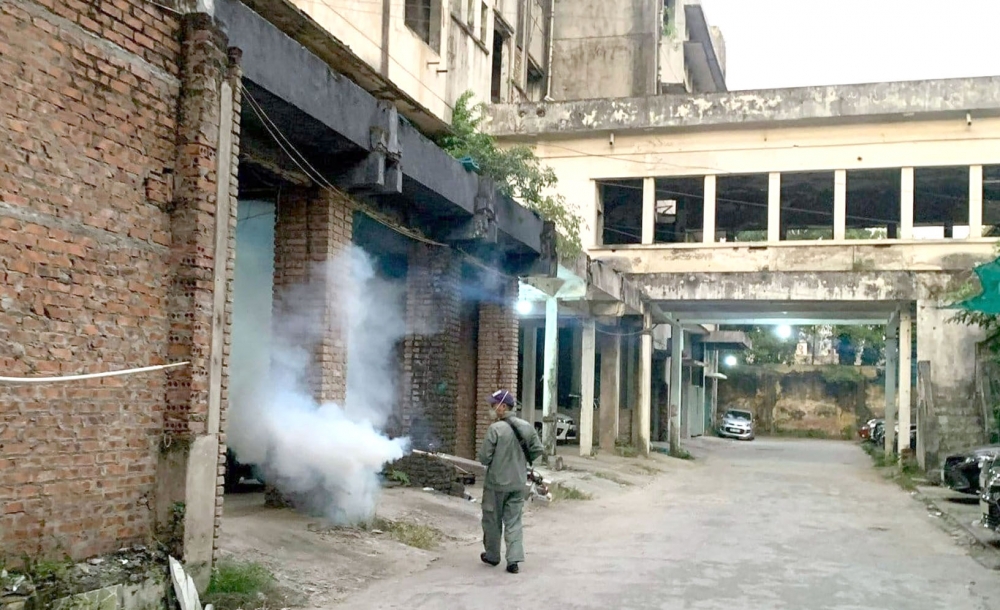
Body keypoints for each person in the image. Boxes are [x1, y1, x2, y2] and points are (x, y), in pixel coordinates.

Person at [477, 389, 544, 574]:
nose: (492, 408)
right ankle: (513, 560)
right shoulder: (527, 427)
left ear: (503, 407)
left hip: (496, 484)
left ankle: (492, 555)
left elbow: (484, 458)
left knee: (492, 520)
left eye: (494, 405)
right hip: (518, 483)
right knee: (514, 521)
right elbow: (538, 449)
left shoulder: (495, 429)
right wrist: (521, 461)